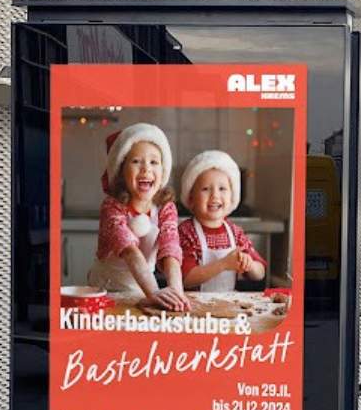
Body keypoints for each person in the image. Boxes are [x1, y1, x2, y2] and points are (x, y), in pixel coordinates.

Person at [88, 123, 189, 311]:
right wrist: (154, 292)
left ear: (163, 170)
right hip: (107, 290)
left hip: (142, 290)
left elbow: (170, 248)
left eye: (154, 162)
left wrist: (176, 292)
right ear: (121, 171)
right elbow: (129, 250)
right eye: (136, 161)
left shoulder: (166, 208)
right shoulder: (112, 207)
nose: (146, 169)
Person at [177, 150, 266, 292]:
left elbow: (260, 273)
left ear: (232, 197)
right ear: (191, 199)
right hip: (194, 304)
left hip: (228, 302)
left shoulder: (235, 233)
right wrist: (223, 264)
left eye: (222, 188)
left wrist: (249, 265)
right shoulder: (186, 232)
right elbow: (186, 279)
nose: (215, 195)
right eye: (205, 189)